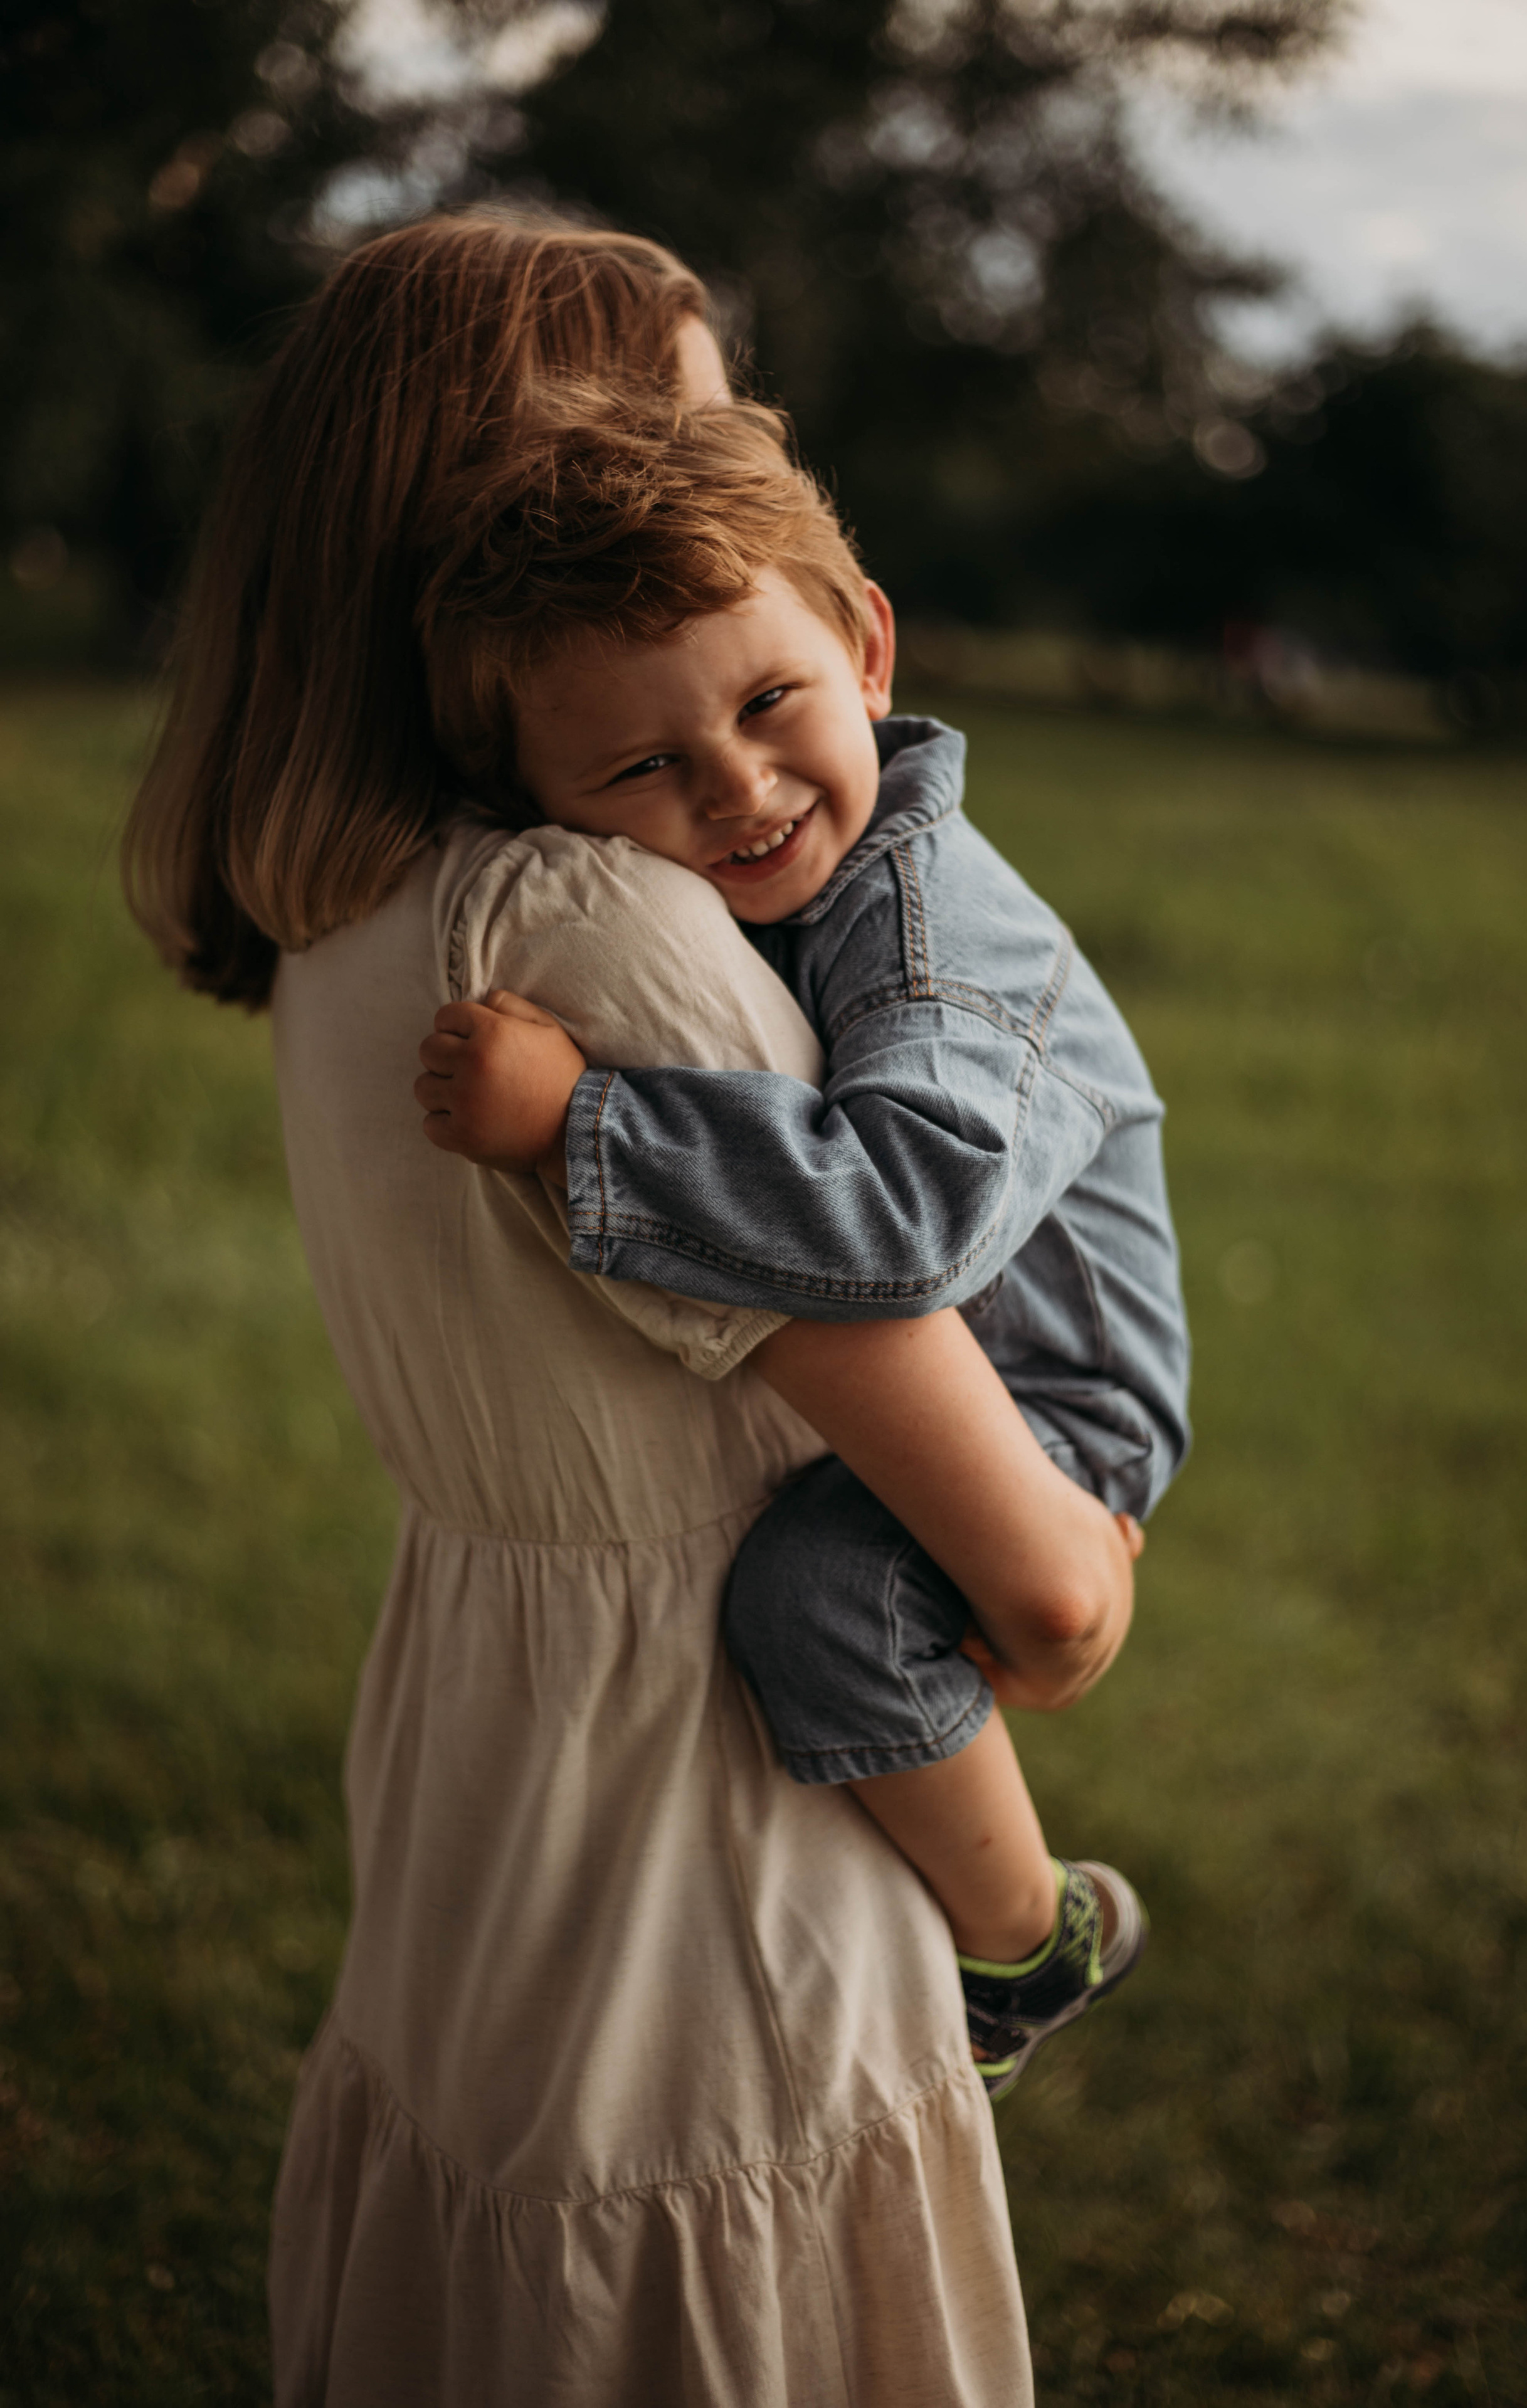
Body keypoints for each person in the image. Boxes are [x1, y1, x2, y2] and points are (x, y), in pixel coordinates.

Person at [119, 209, 1111, 2404]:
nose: (721, 483)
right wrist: (1059, 1602)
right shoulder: (602, 933)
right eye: (678, 426)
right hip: (707, 1796)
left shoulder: (341, 906)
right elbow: (1032, 1571)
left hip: (483, 1732)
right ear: (493, 523)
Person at [411, 397, 1191, 2099]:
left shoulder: (927, 935)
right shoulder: (802, 882)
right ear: (533, 798)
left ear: (868, 645)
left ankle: (1028, 1942)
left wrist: (580, 1126)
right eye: (643, 769)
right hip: (985, 1344)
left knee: (819, 1596)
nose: (740, 788)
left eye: (773, 704)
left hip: (1059, 1387)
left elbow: (906, 1217)